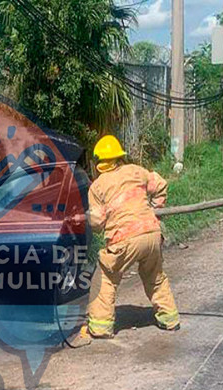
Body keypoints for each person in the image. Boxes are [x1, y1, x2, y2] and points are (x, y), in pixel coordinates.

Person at [72, 135, 179, 348]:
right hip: (151, 235)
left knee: (106, 277)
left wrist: (88, 219)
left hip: (123, 240)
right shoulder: (137, 171)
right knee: (155, 276)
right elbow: (160, 185)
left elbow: (98, 221)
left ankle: (101, 326)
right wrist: (155, 210)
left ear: (98, 162)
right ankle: (170, 319)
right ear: (120, 157)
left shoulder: (97, 187)